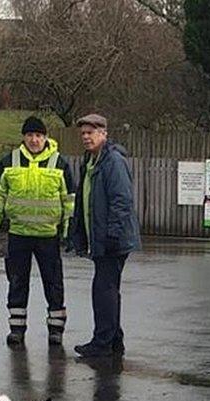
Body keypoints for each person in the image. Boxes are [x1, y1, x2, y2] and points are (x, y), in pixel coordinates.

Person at [0, 116, 75, 347]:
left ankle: (55, 330)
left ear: (45, 137)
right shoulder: (9, 162)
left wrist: (69, 230)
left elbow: (69, 201)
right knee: (17, 282)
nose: (34, 140)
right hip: (19, 234)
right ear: (23, 137)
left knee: (53, 283)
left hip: (48, 236)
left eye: (38, 135)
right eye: (30, 135)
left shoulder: (59, 164)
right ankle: (17, 329)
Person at [68, 114, 140, 359]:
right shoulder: (91, 161)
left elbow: (122, 201)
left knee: (103, 289)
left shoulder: (112, 162)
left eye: (91, 132)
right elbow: (84, 200)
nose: (86, 137)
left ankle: (102, 343)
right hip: (100, 237)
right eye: (83, 133)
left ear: (104, 134)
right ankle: (114, 339)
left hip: (113, 240)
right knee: (108, 289)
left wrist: (112, 234)